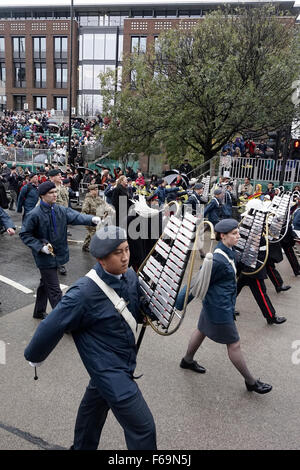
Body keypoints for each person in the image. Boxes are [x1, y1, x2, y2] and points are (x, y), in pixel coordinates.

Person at [24, 225, 157, 450]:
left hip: (122, 361)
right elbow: (51, 325)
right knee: (143, 429)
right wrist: (34, 357)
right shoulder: (82, 293)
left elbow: (137, 306)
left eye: (126, 249)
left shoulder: (130, 274)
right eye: (118, 253)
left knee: (92, 412)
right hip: (109, 371)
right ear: (101, 259)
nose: (125, 257)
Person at [178, 219, 272, 394]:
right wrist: (179, 303)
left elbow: (238, 262)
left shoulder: (227, 250)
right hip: (219, 308)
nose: (238, 236)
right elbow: (196, 282)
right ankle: (251, 381)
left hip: (216, 303)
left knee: (201, 331)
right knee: (234, 345)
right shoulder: (217, 260)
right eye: (234, 234)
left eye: (238, 232)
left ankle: (187, 360)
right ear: (223, 236)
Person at [19, 181, 100, 319]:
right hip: (44, 257)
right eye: (51, 193)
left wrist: (91, 219)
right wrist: (40, 247)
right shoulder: (34, 214)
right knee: (55, 291)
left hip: (56, 254)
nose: (55, 195)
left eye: (55, 191)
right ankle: (63, 321)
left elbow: (76, 216)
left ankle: (39, 311)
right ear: (42, 196)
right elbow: (25, 234)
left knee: (45, 284)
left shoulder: (59, 209)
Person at [81, 184, 114, 252]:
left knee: (90, 233)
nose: (97, 191)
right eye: (95, 190)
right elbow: (84, 211)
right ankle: (97, 249)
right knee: (95, 234)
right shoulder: (88, 200)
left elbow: (105, 205)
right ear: (90, 191)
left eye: (97, 189)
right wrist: (85, 220)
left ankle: (85, 246)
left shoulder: (98, 198)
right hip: (90, 220)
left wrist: (111, 210)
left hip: (97, 220)